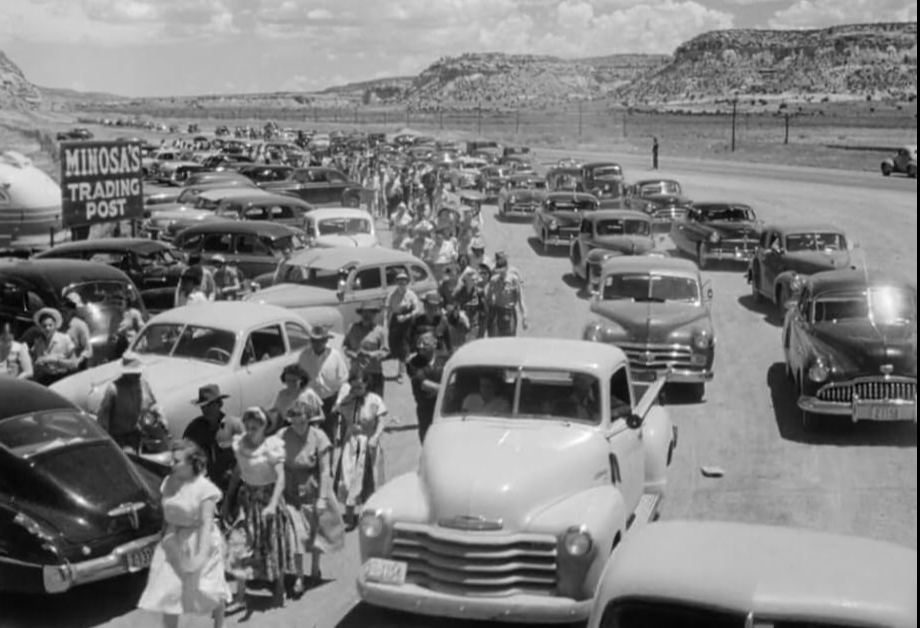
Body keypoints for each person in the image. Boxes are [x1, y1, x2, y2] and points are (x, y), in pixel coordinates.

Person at [137, 440, 231, 628]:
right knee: (169, 592)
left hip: (201, 541)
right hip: (174, 540)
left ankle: (219, 624)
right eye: (172, 460)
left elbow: (206, 524)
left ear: (191, 463)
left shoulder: (205, 489)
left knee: (209, 590)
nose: (172, 464)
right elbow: (168, 513)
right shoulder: (168, 483)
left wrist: (199, 557)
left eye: (177, 461)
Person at [223, 408, 296, 609]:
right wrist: (228, 499)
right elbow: (238, 472)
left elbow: (280, 478)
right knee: (239, 546)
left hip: (268, 499)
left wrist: (273, 504)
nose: (251, 429)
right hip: (247, 501)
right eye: (248, 425)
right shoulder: (240, 445)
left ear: (264, 426)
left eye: (255, 426)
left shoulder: (272, 447)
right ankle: (240, 597)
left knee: (273, 545)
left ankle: (279, 588)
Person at [278, 398, 338, 596]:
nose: (298, 427)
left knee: (314, 534)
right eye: (294, 423)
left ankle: (315, 569)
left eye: (302, 423)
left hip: (312, 490)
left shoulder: (319, 437)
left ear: (309, 420)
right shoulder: (282, 436)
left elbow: (325, 470)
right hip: (290, 492)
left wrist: (322, 498)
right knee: (295, 535)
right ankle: (298, 576)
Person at [332, 369, 388, 529]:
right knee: (347, 479)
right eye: (354, 386)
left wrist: (375, 437)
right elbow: (337, 414)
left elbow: (381, 421)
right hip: (350, 444)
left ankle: (374, 517)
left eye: (359, 387)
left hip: (368, 444)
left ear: (366, 385)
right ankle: (350, 517)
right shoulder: (347, 400)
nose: (356, 390)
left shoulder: (375, 400)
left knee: (370, 482)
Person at [96, 352, 164, 452]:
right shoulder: (113, 390)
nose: (138, 375)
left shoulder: (143, 385)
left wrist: (160, 416)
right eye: (135, 373)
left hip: (136, 436)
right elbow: (103, 419)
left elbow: (153, 405)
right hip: (117, 439)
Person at [297, 325, 349, 446]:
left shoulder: (335, 356)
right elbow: (300, 380)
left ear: (326, 341)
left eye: (321, 341)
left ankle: (329, 455)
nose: (317, 344)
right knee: (310, 436)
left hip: (330, 401)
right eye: (314, 341)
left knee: (329, 436)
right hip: (311, 401)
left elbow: (343, 381)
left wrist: (338, 402)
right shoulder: (304, 356)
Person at [183, 385, 240, 492]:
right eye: (203, 406)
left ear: (219, 404)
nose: (205, 410)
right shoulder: (194, 429)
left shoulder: (234, 425)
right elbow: (185, 456)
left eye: (209, 405)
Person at [343, 300, 389, 397]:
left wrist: (369, 354)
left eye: (370, 312)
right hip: (356, 373)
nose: (367, 315)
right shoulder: (352, 328)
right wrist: (354, 355)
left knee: (375, 402)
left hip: (374, 373)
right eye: (364, 312)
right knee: (355, 402)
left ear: (374, 314)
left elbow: (385, 351)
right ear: (361, 314)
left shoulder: (380, 331)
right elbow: (345, 346)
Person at [406, 332, 445, 443]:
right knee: (426, 438)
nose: (421, 346)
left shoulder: (446, 358)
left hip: (444, 406)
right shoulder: (413, 362)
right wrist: (445, 389)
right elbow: (423, 384)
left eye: (425, 343)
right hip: (425, 407)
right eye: (419, 343)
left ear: (434, 344)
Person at [384, 271, 422, 384]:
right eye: (400, 282)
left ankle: (402, 373)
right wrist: (386, 323)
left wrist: (407, 316)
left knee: (404, 346)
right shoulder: (392, 295)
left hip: (407, 322)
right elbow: (387, 310)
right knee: (394, 346)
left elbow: (417, 309)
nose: (402, 284)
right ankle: (404, 366)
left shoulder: (411, 294)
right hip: (396, 321)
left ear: (407, 283)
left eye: (404, 282)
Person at [268, 364, 322, 435]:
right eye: (288, 380)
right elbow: (277, 415)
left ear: (301, 379)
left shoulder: (309, 394)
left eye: (294, 380)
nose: (291, 383)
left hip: (306, 429)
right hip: (287, 430)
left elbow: (317, 418)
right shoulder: (282, 394)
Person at [30, 307, 77, 385]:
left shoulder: (65, 339)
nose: (47, 328)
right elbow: (34, 364)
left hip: (63, 378)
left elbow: (74, 364)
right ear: (40, 328)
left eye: (50, 325)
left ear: (55, 326)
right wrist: (38, 363)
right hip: (46, 379)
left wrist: (54, 360)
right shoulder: (38, 342)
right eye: (44, 326)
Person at [485, 252, 529, 337]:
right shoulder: (493, 280)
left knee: (508, 340)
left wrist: (524, 317)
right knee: (494, 340)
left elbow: (521, 300)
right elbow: (488, 299)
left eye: (502, 269)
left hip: (508, 313)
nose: (500, 272)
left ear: (506, 267)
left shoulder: (514, 280)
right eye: (498, 269)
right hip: (496, 313)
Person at [409, 292, 451, 356]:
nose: (431, 309)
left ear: (438, 308)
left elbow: (448, 345)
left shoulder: (442, 321)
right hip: (419, 355)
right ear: (424, 306)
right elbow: (409, 341)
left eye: (434, 307)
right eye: (429, 306)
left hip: (436, 355)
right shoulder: (417, 320)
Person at [452, 266, 487, 342]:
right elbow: (454, 309)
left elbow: (484, 313)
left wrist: (481, 332)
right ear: (466, 279)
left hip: (474, 326)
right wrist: (461, 315)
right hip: (461, 326)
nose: (475, 281)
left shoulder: (479, 292)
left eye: (475, 279)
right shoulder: (459, 292)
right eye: (472, 279)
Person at [62, 292, 93, 370]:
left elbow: (88, 349)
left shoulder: (80, 325)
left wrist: (79, 360)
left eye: (68, 309)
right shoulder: (56, 325)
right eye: (63, 309)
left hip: (77, 368)